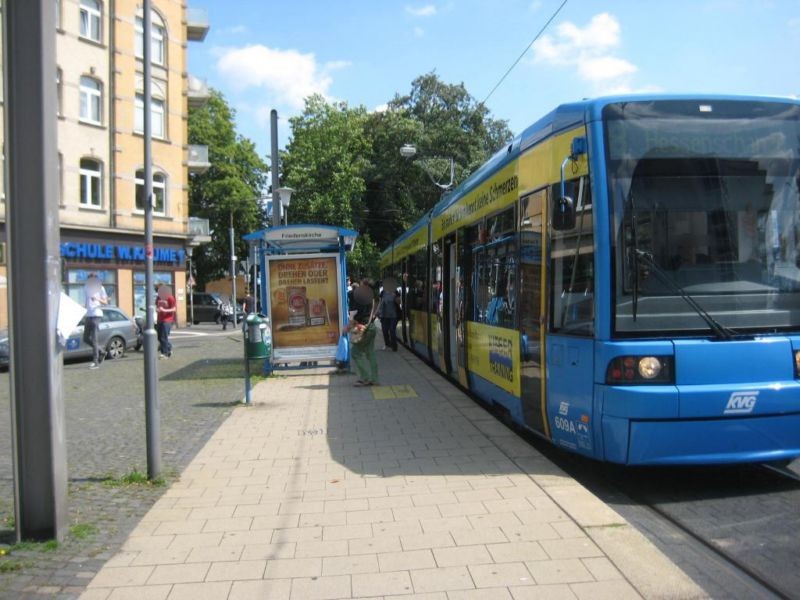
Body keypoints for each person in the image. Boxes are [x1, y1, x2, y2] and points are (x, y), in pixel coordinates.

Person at [346, 279, 379, 386]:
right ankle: (375, 379)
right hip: (372, 327)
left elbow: (356, 315)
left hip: (363, 328)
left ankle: (365, 378)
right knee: (370, 353)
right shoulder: (373, 297)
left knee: (355, 352)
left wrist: (350, 325)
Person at [83, 273, 108, 369]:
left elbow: (105, 302)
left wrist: (97, 299)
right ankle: (101, 351)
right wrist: (83, 308)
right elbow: (86, 301)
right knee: (85, 338)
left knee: (94, 339)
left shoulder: (100, 288)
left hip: (96, 314)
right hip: (88, 315)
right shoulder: (86, 288)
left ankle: (95, 362)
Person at [377, 276, 400, 351]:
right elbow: (380, 303)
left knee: (392, 330)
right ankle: (387, 344)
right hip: (384, 315)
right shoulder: (382, 292)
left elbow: (399, 302)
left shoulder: (395, 291)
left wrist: (395, 297)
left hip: (393, 315)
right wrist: (376, 312)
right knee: (384, 330)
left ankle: (394, 346)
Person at [156, 284, 176, 358]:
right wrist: (157, 310)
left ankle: (165, 353)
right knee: (159, 337)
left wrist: (165, 310)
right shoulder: (158, 297)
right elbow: (157, 306)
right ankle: (169, 347)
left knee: (163, 337)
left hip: (167, 320)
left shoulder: (170, 297)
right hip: (159, 319)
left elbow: (174, 309)